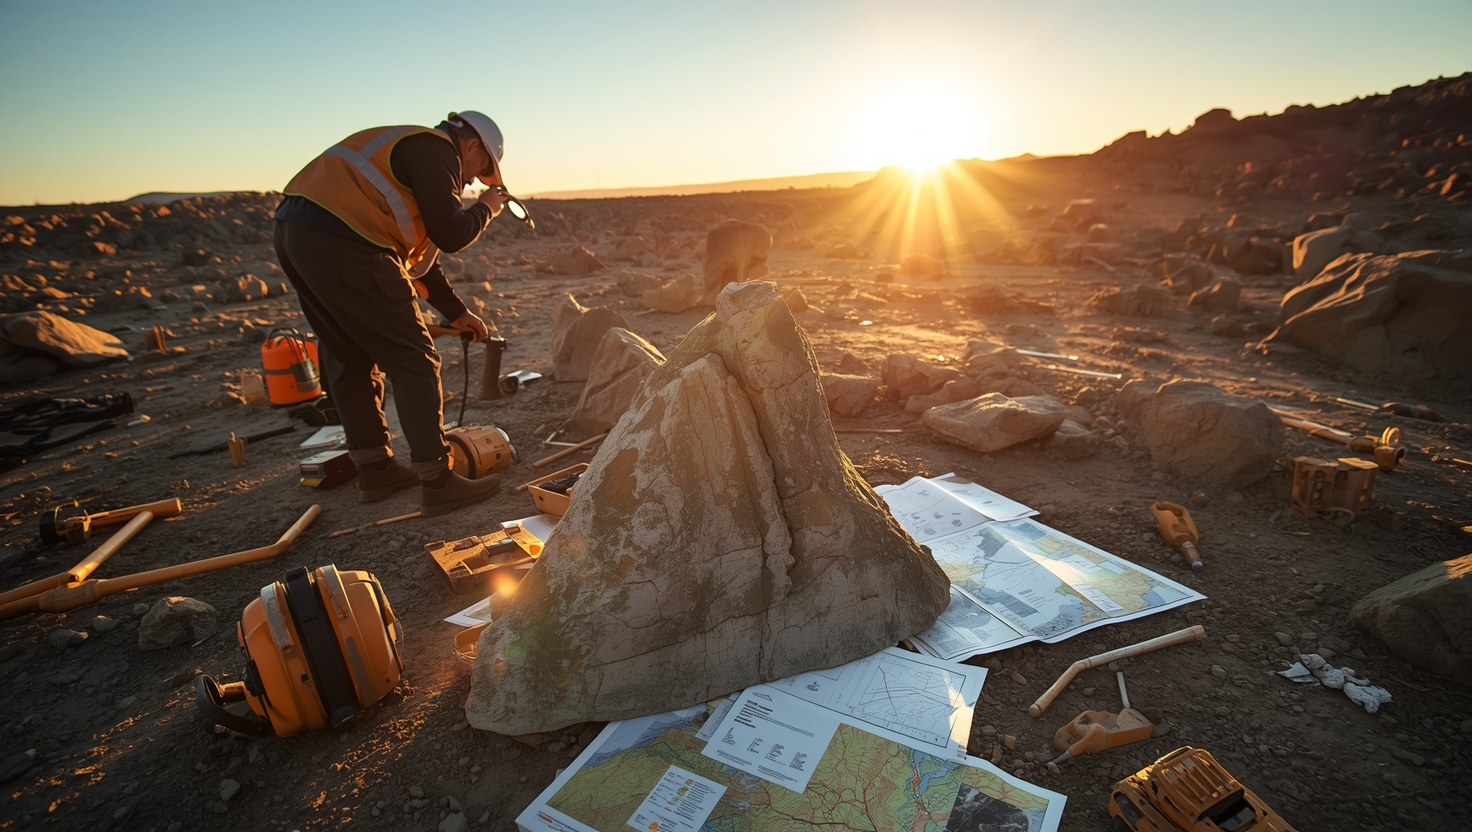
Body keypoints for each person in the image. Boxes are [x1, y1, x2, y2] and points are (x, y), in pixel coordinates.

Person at [273, 111, 509, 516]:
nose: (471, 182)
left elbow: (420, 262)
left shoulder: (403, 159)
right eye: (479, 171)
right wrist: (487, 207)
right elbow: (452, 234)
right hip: (345, 240)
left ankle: (376, 469)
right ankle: (437, 481)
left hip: (297, 232)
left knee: (349, 355)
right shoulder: (437, 150)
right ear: (471, 147)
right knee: (414, 359)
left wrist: (457, 313)